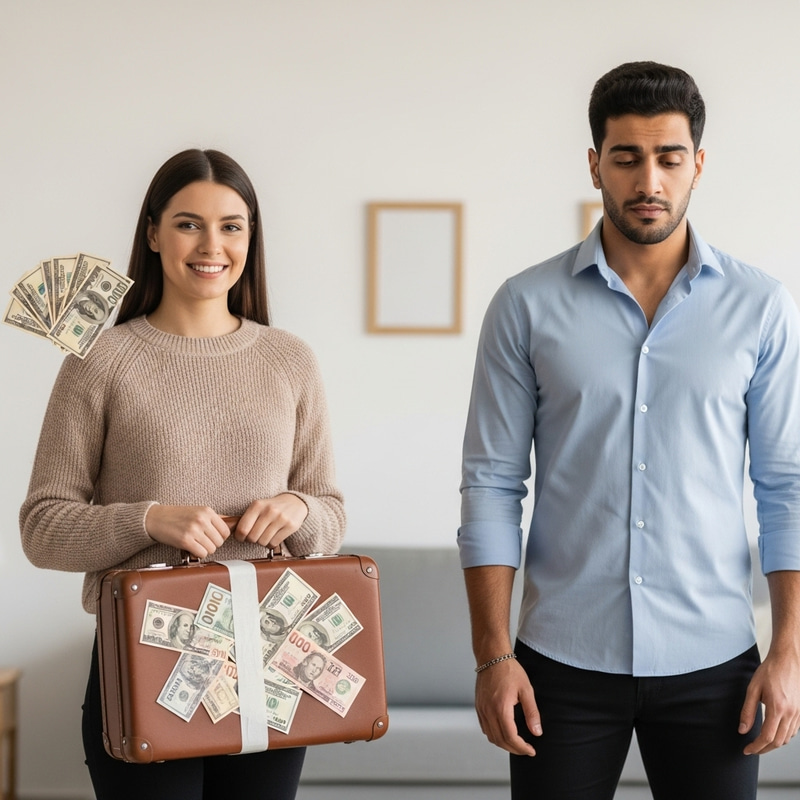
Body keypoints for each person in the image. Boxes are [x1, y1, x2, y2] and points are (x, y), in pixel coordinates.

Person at [458, 61, 800, 800]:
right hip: (559, 664)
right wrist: (493, 657)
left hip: (715, 664)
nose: (649, 180)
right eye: (627, 158)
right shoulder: (525, 305)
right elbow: (491, 486)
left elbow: (786, 490)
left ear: (698, 165)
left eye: (669, 158)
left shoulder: (762, 307)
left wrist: (790, 652)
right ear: (595, 165)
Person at [20, 148, 345, 800]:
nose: (211, 245)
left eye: (231, 226)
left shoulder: (290, 360)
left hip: (269, 660)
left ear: (251, 238)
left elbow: (330, 514)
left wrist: (301, 509)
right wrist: (148, 521)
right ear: (152, 233)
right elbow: (42, 528)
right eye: (188, 223)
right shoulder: (99, 360)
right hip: (143, 662)